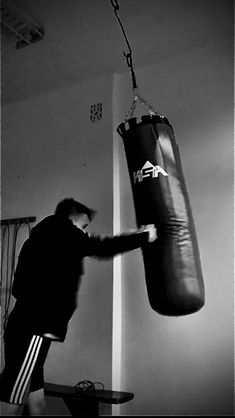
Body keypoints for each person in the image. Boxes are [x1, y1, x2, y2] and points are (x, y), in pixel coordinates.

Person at [0, 198, 157, 416]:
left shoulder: (42, 237)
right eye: (83, 226)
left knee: (35, 398)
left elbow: (19, 287)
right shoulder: (62, 234)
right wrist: (144, 236)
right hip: (34, 327)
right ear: (72, 219)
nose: (84, 232)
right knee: (12, 396)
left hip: (25, 323)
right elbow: (103, 247)